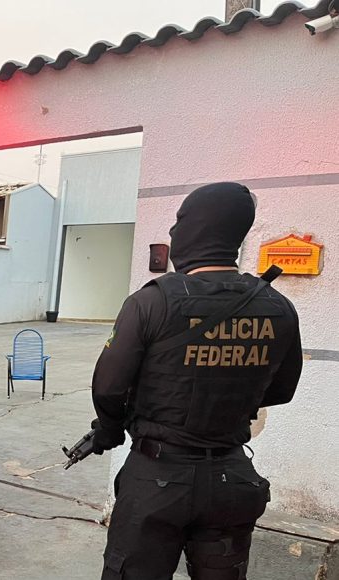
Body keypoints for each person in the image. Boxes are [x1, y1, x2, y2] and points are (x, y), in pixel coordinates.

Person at [90, 182, 303, 579]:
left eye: (180, 221)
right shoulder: (278, 306)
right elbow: (281, 390)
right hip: (231, 477)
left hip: (157, 478)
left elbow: (108, 387)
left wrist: (109, 429)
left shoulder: (152, 301)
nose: (174, 231)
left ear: (196, 228)